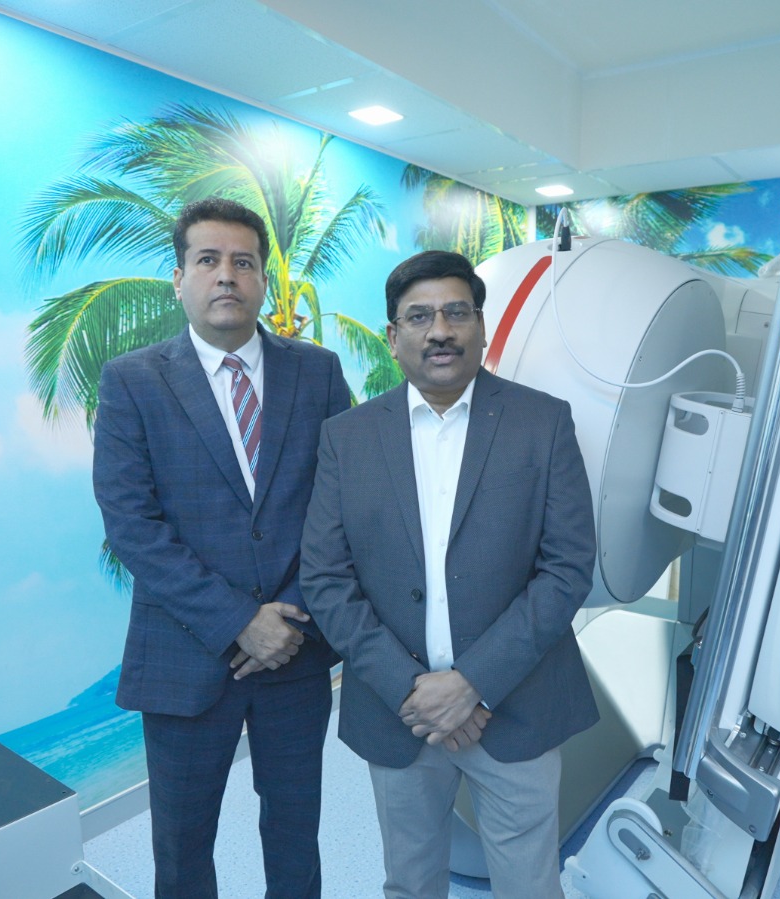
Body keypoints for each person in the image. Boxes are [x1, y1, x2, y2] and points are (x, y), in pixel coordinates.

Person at [301, 250, 598, 899]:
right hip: (398, 713)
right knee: (409, 884)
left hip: (516, 708)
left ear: (481, 327)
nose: (440, 330)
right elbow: (325, 578)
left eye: (456, 312)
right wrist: (414, 689)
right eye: (419, 316)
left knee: (530, 885)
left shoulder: (543, 423)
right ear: (392, 336)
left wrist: (473, 685)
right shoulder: (346, 438)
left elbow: (567, 567)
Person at [92, 198, 349, 899]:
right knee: (181, 847)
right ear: (180, 279)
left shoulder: (318, 373)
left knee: (296, 835)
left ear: (263, 279)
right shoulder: (132, 381)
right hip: (185, 654)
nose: (226, 275)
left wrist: (287, 617)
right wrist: (240, 620)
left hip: (296, 651)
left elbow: (345, 506)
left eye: (243, 261)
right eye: (208, 260)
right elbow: (132, 523)